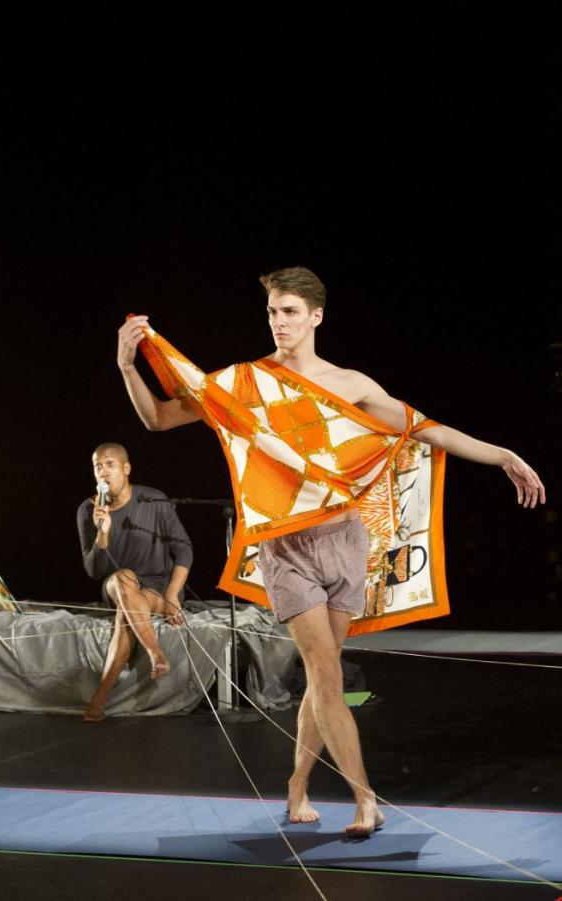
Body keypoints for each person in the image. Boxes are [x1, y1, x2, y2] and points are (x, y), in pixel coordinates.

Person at [115, 266, 545, 835]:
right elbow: (159, 418)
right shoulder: (243, 382)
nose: (279, 321)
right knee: (324, 671)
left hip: (345, 542)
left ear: (316, 316)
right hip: (285, 548)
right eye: (272, 311)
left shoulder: (351, 384)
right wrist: (128, 364)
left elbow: (428, 430)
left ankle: (297, 784)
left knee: (326, 680)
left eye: (290, 311)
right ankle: (366, 799)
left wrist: (503, 455)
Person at [77, 442, 193, 722]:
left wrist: (173, 595)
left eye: (110, 464)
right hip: (115, 586)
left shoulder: (154, 500)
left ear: (126, 468)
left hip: (157, 588)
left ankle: (100, 697)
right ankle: (155, 652)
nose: (103, 472)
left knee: (126, 616)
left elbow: (184, 550)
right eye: (98, 466)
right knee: (124, 577)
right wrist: (102, 533)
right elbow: (94, 571)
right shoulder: (87, 510)